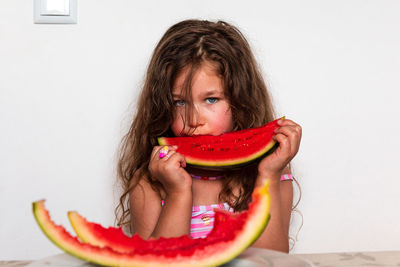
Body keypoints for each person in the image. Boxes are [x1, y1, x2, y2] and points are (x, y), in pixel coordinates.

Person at [116, 19, 302, 253]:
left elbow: (273, 260)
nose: (193, 120)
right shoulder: (151, 183)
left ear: (240, 101)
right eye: (179, 102)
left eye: (211, 99)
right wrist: (177, 193)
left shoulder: (272, 172)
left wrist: (268, 176)